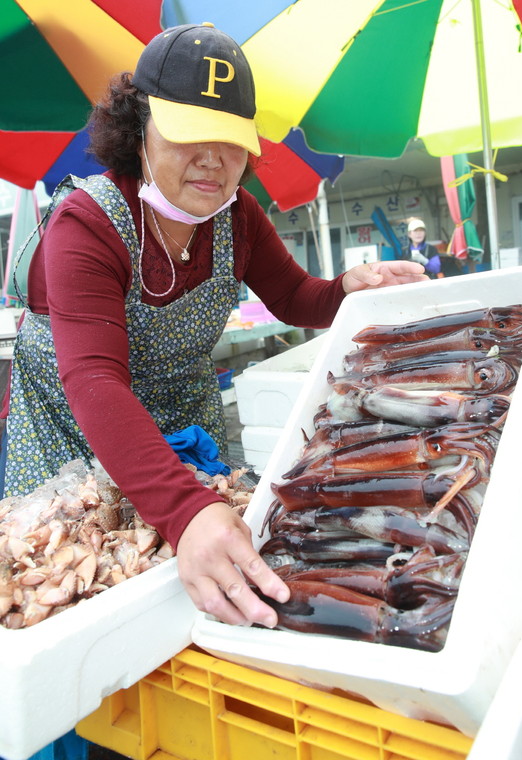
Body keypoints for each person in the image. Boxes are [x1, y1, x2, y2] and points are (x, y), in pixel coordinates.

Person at [1, 23, 426, 629]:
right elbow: (94, 379)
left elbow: (294, 297)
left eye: (230, 140)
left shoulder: (238, 217)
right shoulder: (87, 222)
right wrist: (183, 509)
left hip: (181, 417)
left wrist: (346, 291)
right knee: (77, 581)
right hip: (77, 430)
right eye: (187, 134)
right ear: (140, 128)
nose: (213, 159)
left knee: (202, 593)